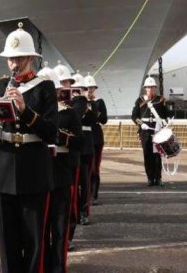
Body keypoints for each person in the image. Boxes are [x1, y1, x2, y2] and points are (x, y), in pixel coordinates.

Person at [0, 22, 58, 273]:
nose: (13, 64)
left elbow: (51, 132)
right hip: (2, 166)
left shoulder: (45, 88)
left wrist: (25, 110)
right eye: (10, 59)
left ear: (29, 58)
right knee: (7, 239)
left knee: (34, 238)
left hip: (33, 166)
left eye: (18, 58)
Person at [42, 66, 82, 272]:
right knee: (38, 229)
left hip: (59, 171)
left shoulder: (69, 113)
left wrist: (60, 137)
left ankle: (57, 267)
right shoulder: (35, 113)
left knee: (59, 226)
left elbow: (79, 143)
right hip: (38, 171)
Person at [131, 76, 173, 186]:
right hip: (145, 131)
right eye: (148, 87)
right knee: (147, 155)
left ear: (155, 88)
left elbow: (167, 114)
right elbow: (134, 116)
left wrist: (168, 121)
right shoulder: (139, 100)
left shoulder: (160, 99)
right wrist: (141, 124)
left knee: (157, 155)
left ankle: (158, 178)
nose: (150, 89)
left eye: (152, 87)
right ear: (145, 88)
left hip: (157, 131)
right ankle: (150, 178)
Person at [72, 74, 94, 226]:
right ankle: (74, 212)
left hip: (84, 145)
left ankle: (83, 211)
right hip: (71, 145)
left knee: (84, 182)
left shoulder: (83, 103)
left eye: (80, 89)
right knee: (73, 184)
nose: (77, 91)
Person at [84, 74, 107, 207]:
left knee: (94, 168)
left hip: (96, 137)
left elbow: (104, 119)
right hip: (84, 136)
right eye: (87, 88)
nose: (89, 90)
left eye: (91, 87)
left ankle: (94, 194)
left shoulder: (99, 101)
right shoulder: (80, 101)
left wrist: (94, 109)